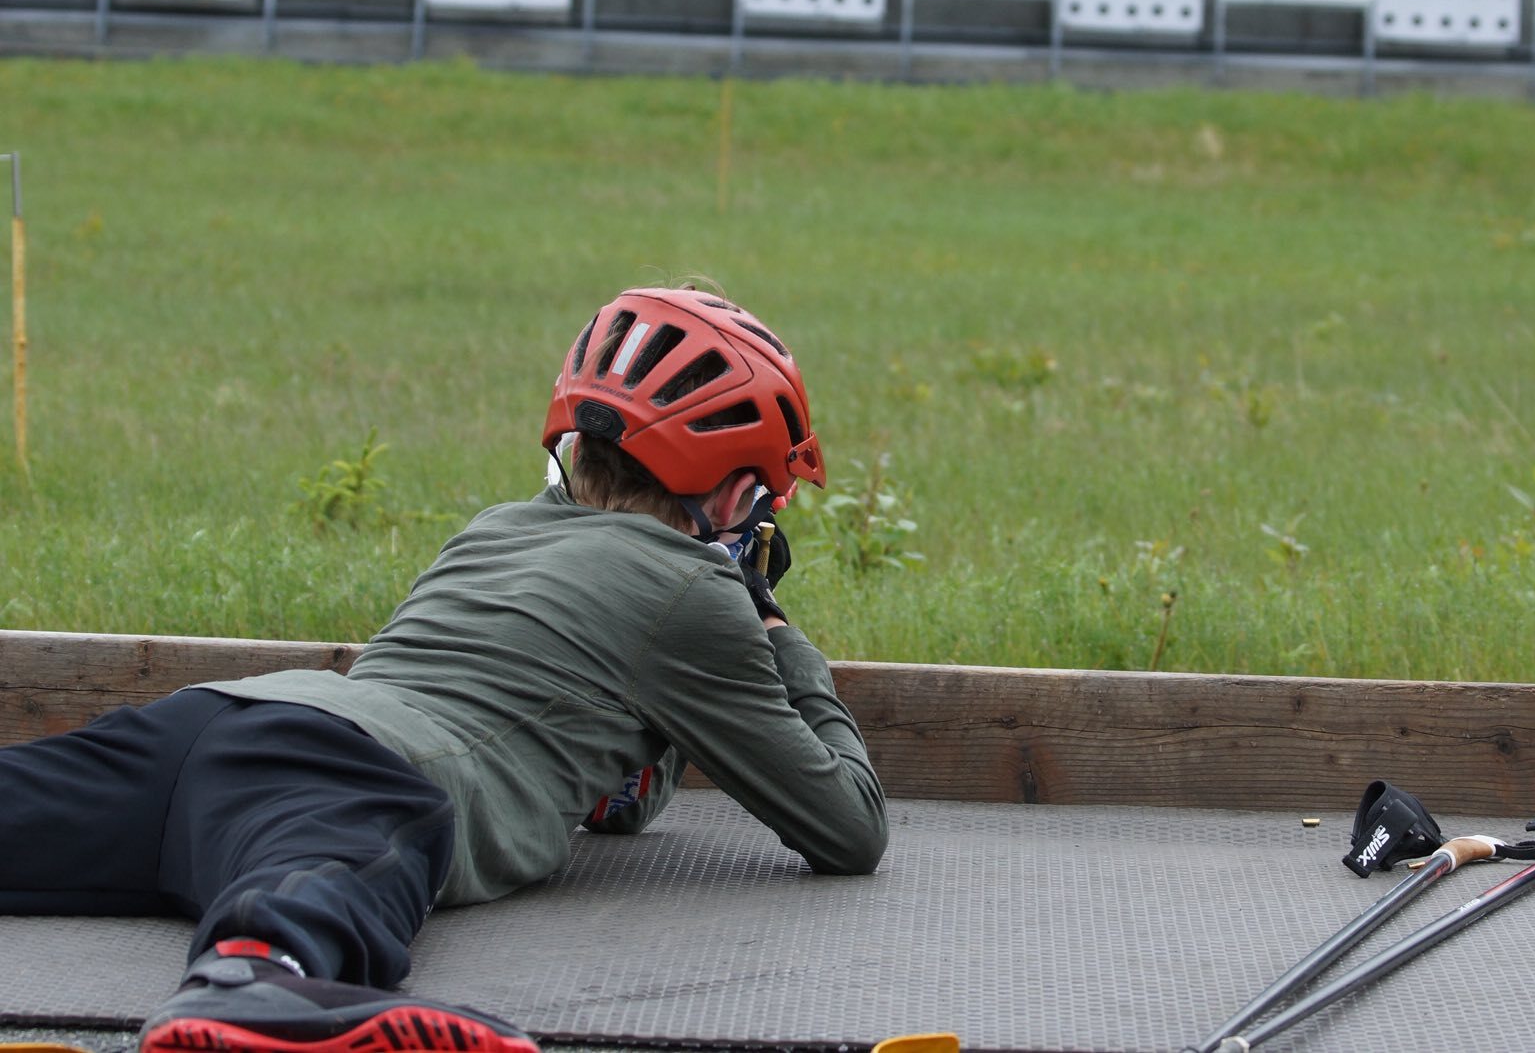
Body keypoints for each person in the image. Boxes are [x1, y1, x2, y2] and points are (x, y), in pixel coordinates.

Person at [0, 286, 888, 1052]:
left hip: (212, 727)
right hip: (370, 776)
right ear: (736, 496)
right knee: (320, 883)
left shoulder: (496, 527)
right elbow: (847, 827)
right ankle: (254, 983)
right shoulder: (697, 592)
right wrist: (771, 627)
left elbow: (613, 797)